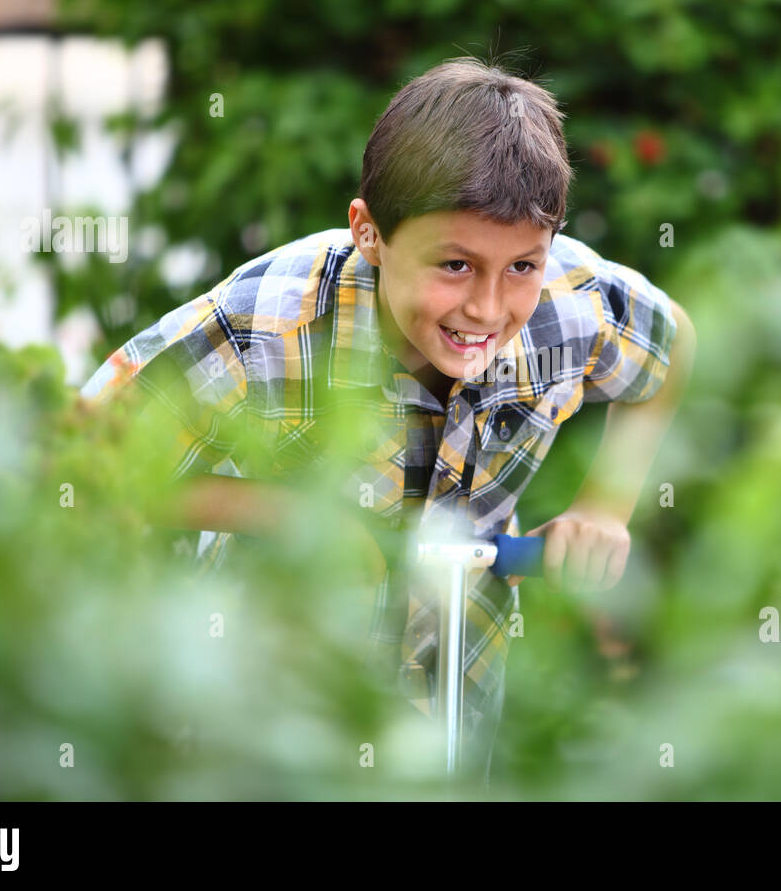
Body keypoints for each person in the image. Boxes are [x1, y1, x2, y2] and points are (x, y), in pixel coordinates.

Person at [80, 56, 696, 787]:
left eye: (522, 267)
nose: (488, 309)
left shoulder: (572, 308)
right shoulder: (266, 325)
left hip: (450, 703)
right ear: (369, 233)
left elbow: (672, 343)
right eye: (455, 266)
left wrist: (605, 508)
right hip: (256, 711)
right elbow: (79, 458)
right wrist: (292, 516)